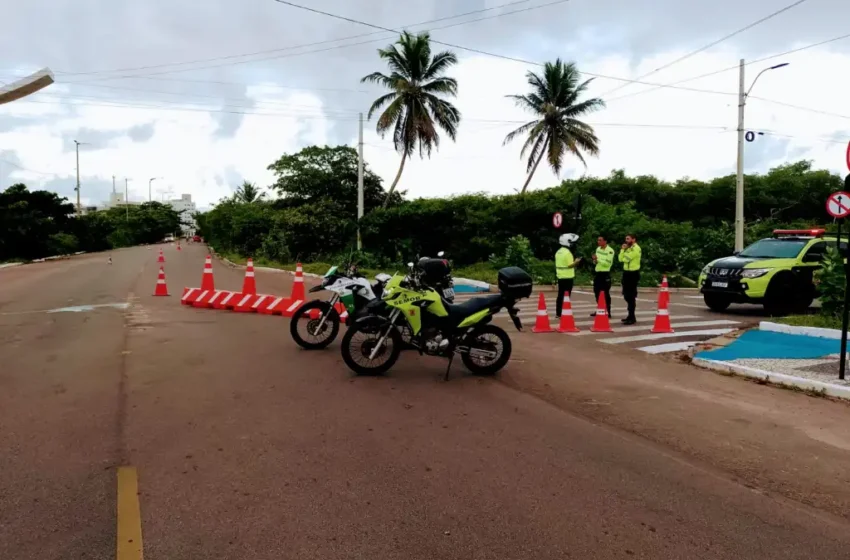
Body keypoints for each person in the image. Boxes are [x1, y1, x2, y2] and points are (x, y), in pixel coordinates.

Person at [555, 233, 582, 318]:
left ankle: (558, 313)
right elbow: (570, 265)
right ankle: (564, 312)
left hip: (560, 276)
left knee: (560, 295)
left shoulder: (559, 251)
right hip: (568, 277)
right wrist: (577, 262)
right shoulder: (567, 253)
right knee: (566, 296)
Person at [619, 233, 642, 325]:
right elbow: (620, 259)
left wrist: (624, 252)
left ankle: (632, 317)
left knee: (630, 296)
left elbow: (626, 259)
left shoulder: (636, 248)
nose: (626, 241)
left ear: (634, 239)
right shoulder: (627, 248)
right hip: (626, 273)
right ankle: (630, 315)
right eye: (626, 239)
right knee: (625, 295)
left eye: (628, 239)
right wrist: (622, 250)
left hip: (633, 273)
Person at [590, 235, 614, 318]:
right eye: (598, 240)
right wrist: (595, 260)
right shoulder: (598, 249)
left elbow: (607, 263)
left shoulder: (610, 251)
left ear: (605, 241)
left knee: (605, 293)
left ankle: (608, 311)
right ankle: (600, 309)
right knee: (596, 292)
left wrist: (598, 259)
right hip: (598, 273)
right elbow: (596, 262)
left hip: (605, 274)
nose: (598, 242)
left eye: (600, 240)